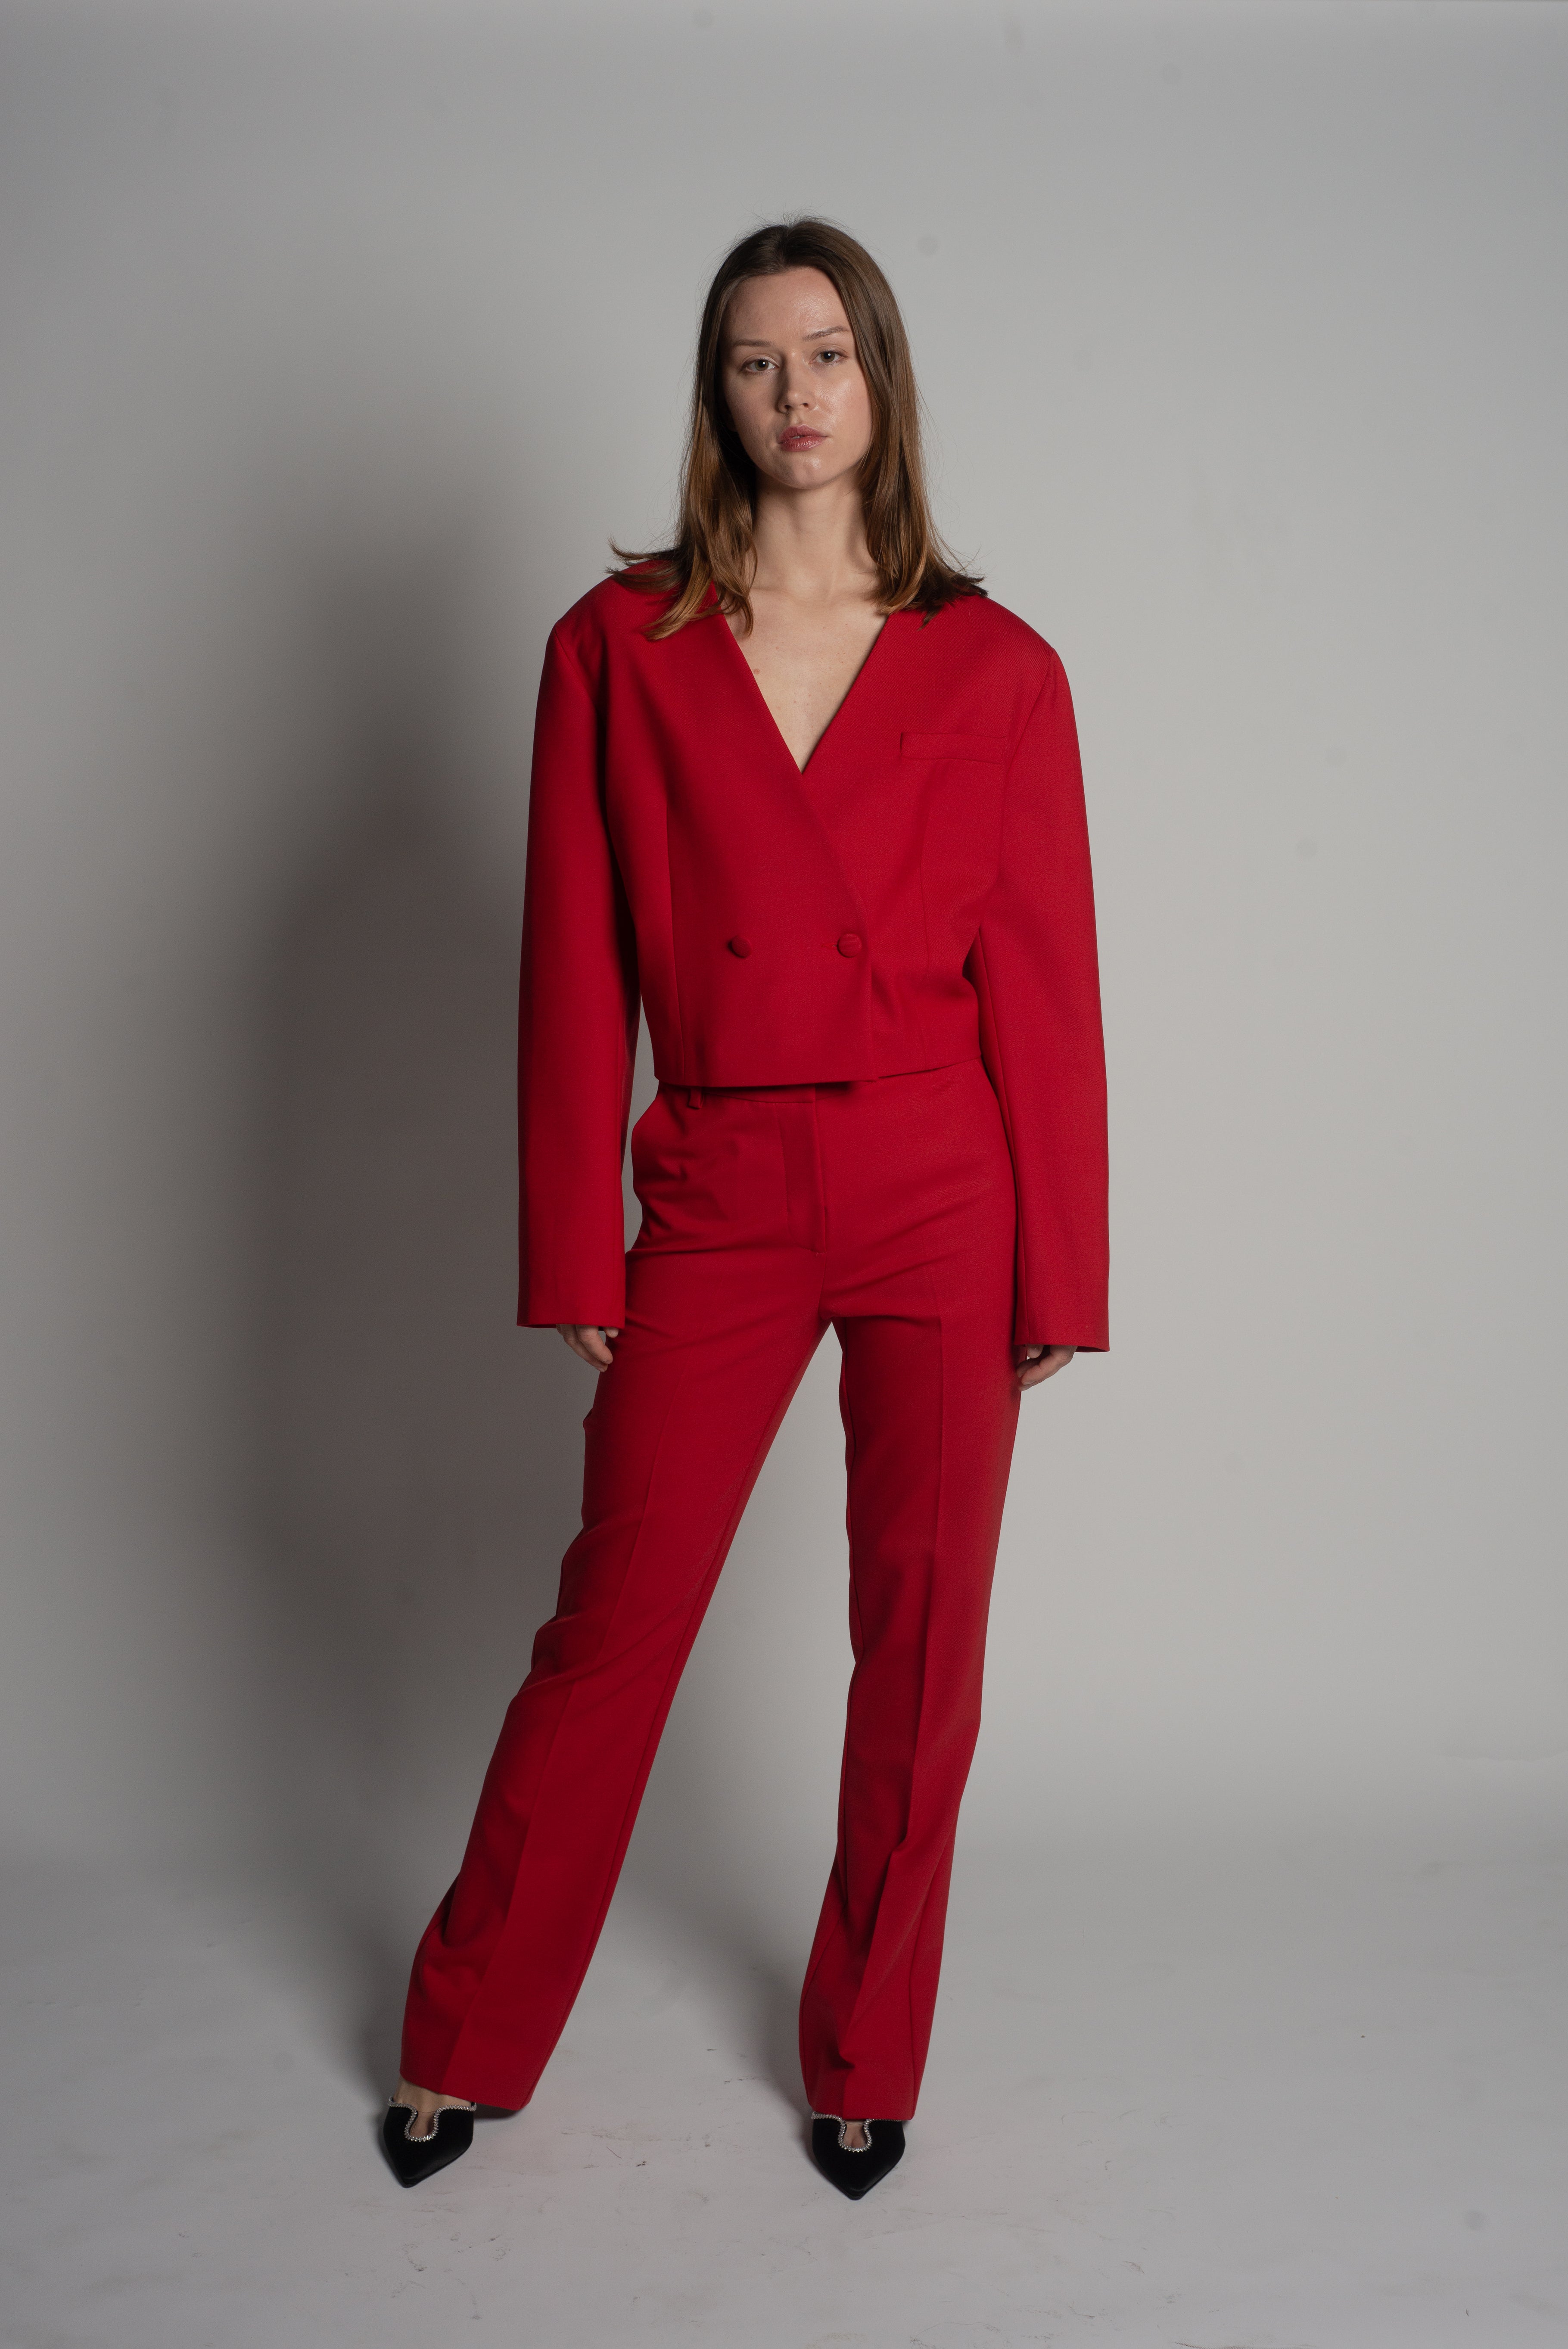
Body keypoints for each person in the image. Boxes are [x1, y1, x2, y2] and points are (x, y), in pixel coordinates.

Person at [380, 217, 1108, 2200]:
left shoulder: (1000, 664)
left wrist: (1061, 1266)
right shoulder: (616, 646)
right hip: (713, 1180)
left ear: (881, 379)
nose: (796, 394)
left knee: (923, 1643)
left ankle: (868, 2052)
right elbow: (571, 968)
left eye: (827, 353)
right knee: (612, 1624)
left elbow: (1046, 984)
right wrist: (573, 1242)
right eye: (755, 359)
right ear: (715, 391)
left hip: (941, 1184)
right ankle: (466, 2027)